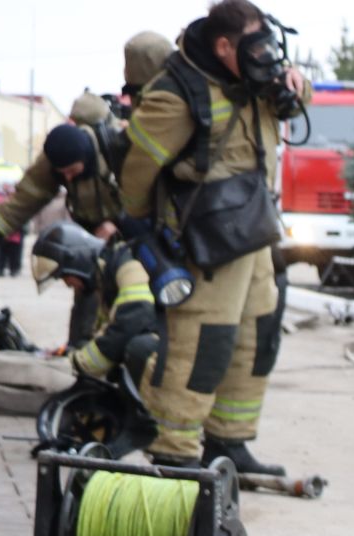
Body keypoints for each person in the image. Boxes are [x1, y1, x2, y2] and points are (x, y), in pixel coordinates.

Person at [119, 0, 310, 473]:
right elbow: (137, 171)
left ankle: (229, 443)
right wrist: (147, 229)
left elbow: (292, 101)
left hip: (255, 231)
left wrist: (296, 88)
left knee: (256, 338)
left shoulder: (256, 74)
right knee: (202, 344)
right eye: (255, 43)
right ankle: (175, 450)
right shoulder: (178, 92)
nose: (267, 54)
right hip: (207, 240)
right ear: (223, 45)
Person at [0, 35, 175, 348]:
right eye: (61, 173)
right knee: (86, 301)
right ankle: (81, 356)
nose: (66, 177)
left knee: (130, 305)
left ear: (88, 156)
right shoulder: (54, 159)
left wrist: (118, 224)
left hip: (130, 238)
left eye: (72, 171)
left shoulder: (119, 147)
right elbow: (25, 198)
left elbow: (147, 190)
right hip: (89, 245)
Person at [31, 223, 180, 461]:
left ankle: (144, 425)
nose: (69, 284)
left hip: (177, 344)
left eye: (66, 277)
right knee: (113, 366)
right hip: (166, 340)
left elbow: (135, 316)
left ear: (76, 260)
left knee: (137, 348)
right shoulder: (107, 274)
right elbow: (105, 331)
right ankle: (117, 427)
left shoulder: (127, 261)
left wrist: (82, 363)